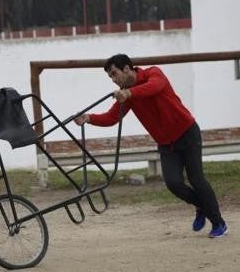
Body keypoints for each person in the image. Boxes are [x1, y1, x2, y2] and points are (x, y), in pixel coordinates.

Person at [74, 53, 228, 238]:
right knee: (173, 183)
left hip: (187, 132)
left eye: (114, 74)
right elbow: (112, 117)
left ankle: (218, 223)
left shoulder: (153, 74)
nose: (114, 80)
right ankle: (202, 206)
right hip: (166, 143)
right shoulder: (126, 94)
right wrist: (89, 118)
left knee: (197, 180)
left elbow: (155, 87)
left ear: (127, 69)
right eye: (110, 77)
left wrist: (130, 93)